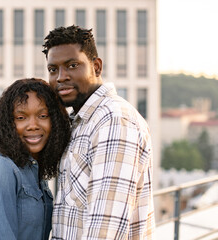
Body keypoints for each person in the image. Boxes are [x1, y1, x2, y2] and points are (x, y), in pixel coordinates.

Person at [42, 25, 155, 239]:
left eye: (72, 65)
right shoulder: (83, 121)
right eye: (53, 69)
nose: (60, 77)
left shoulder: (113, 121)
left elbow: (104, 231)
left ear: (96, 67)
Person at [0, 78, 71, 240]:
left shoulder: (32, 168)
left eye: (42, 115)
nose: (33, 125)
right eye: (21, 117)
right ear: (8, 123)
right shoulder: (0, 167)